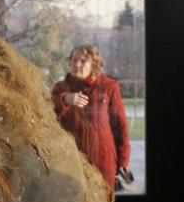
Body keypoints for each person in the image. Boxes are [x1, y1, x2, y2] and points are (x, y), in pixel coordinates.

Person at [52, 44, 132, 191]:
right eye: (74, 60)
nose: (77, 64)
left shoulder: (109, 86)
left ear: (93, 64)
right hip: (71, 164)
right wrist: (65, 100)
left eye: (83, 61)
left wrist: (123, 162)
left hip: (104, 164)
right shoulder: (61, 88)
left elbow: (121, 127)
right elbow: (48, 119)